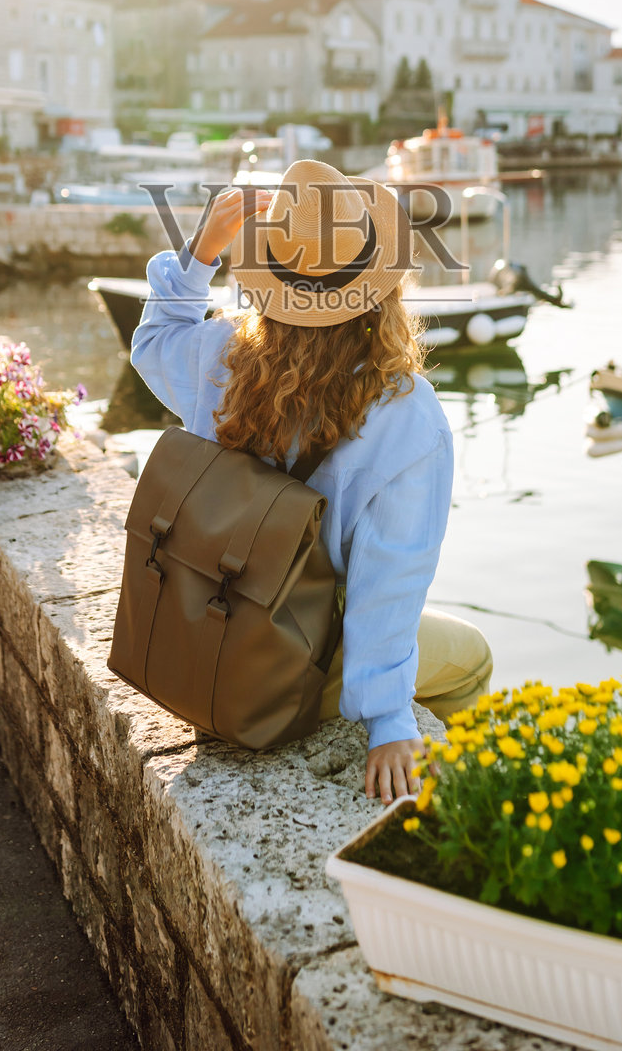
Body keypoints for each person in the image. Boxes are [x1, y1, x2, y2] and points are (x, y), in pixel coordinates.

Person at [130, 158, 493, 805]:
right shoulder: (405, 416)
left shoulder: (220, 356)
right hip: (285, 664)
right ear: (379, 291)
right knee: (472, 656)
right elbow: (388, 582)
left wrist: (197, 256)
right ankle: (459, 809)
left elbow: (154, 337)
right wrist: (386, 720)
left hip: (202, 628)